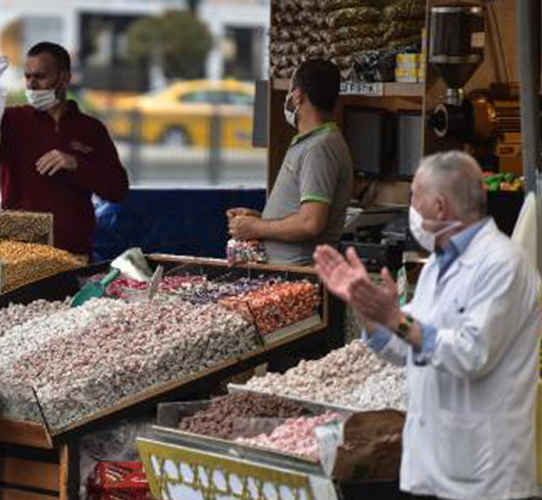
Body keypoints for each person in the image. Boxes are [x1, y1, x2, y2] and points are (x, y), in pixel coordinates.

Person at [314, 151, 540, 500]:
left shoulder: (503, 264)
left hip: (485, 477)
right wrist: (369, 313)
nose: (411, 206)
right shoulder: (438, 264)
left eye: (414, 195)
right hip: (431, 465)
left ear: (438, 206)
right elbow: (406, 347)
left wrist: (395, 319)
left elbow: (471, 353)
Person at [0, 41, 129, 257]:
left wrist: (76, 164)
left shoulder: (91, 129)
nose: (31, 84)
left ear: (65, 79)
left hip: (73, 256)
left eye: (40, 76)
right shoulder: (10, 121)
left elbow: (118, 189)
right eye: (27, 77)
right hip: (20, 256)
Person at [227, 59, 352, 266]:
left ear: (297, 96)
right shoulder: (311, 141)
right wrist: (259, 219)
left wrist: (257, 228)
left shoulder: (319, 147)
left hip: (300, 275)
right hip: (285, 272)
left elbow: (311, 223)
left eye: (290, 90)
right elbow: (301, 214)